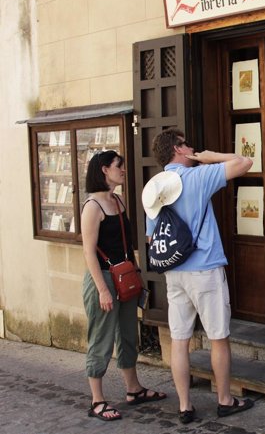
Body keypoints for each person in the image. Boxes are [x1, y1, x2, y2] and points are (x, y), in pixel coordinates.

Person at [145, 129, 254, 424]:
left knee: (180, 340)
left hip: (174, 271)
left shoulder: (153, 186)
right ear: (179, 150)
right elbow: (245, 162)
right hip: (204, 268)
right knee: (218, 337)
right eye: (187, 144)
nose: (192, 148)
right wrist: (209, 157)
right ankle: (224, 400)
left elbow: (150, 234)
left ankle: (184, 406)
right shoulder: (196, 178)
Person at [81, 150, 166, 422]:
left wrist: (136, 272)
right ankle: (97, 400)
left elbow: (126, 244)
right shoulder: (92, 206)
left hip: (125, 276)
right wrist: (103, 290)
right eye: (119, 166)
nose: (123, 170)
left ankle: (133, 389)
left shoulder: (118, 201)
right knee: (102, 338)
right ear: (104, 169)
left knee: (128, 333)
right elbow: (88, 252)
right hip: (104, 279)